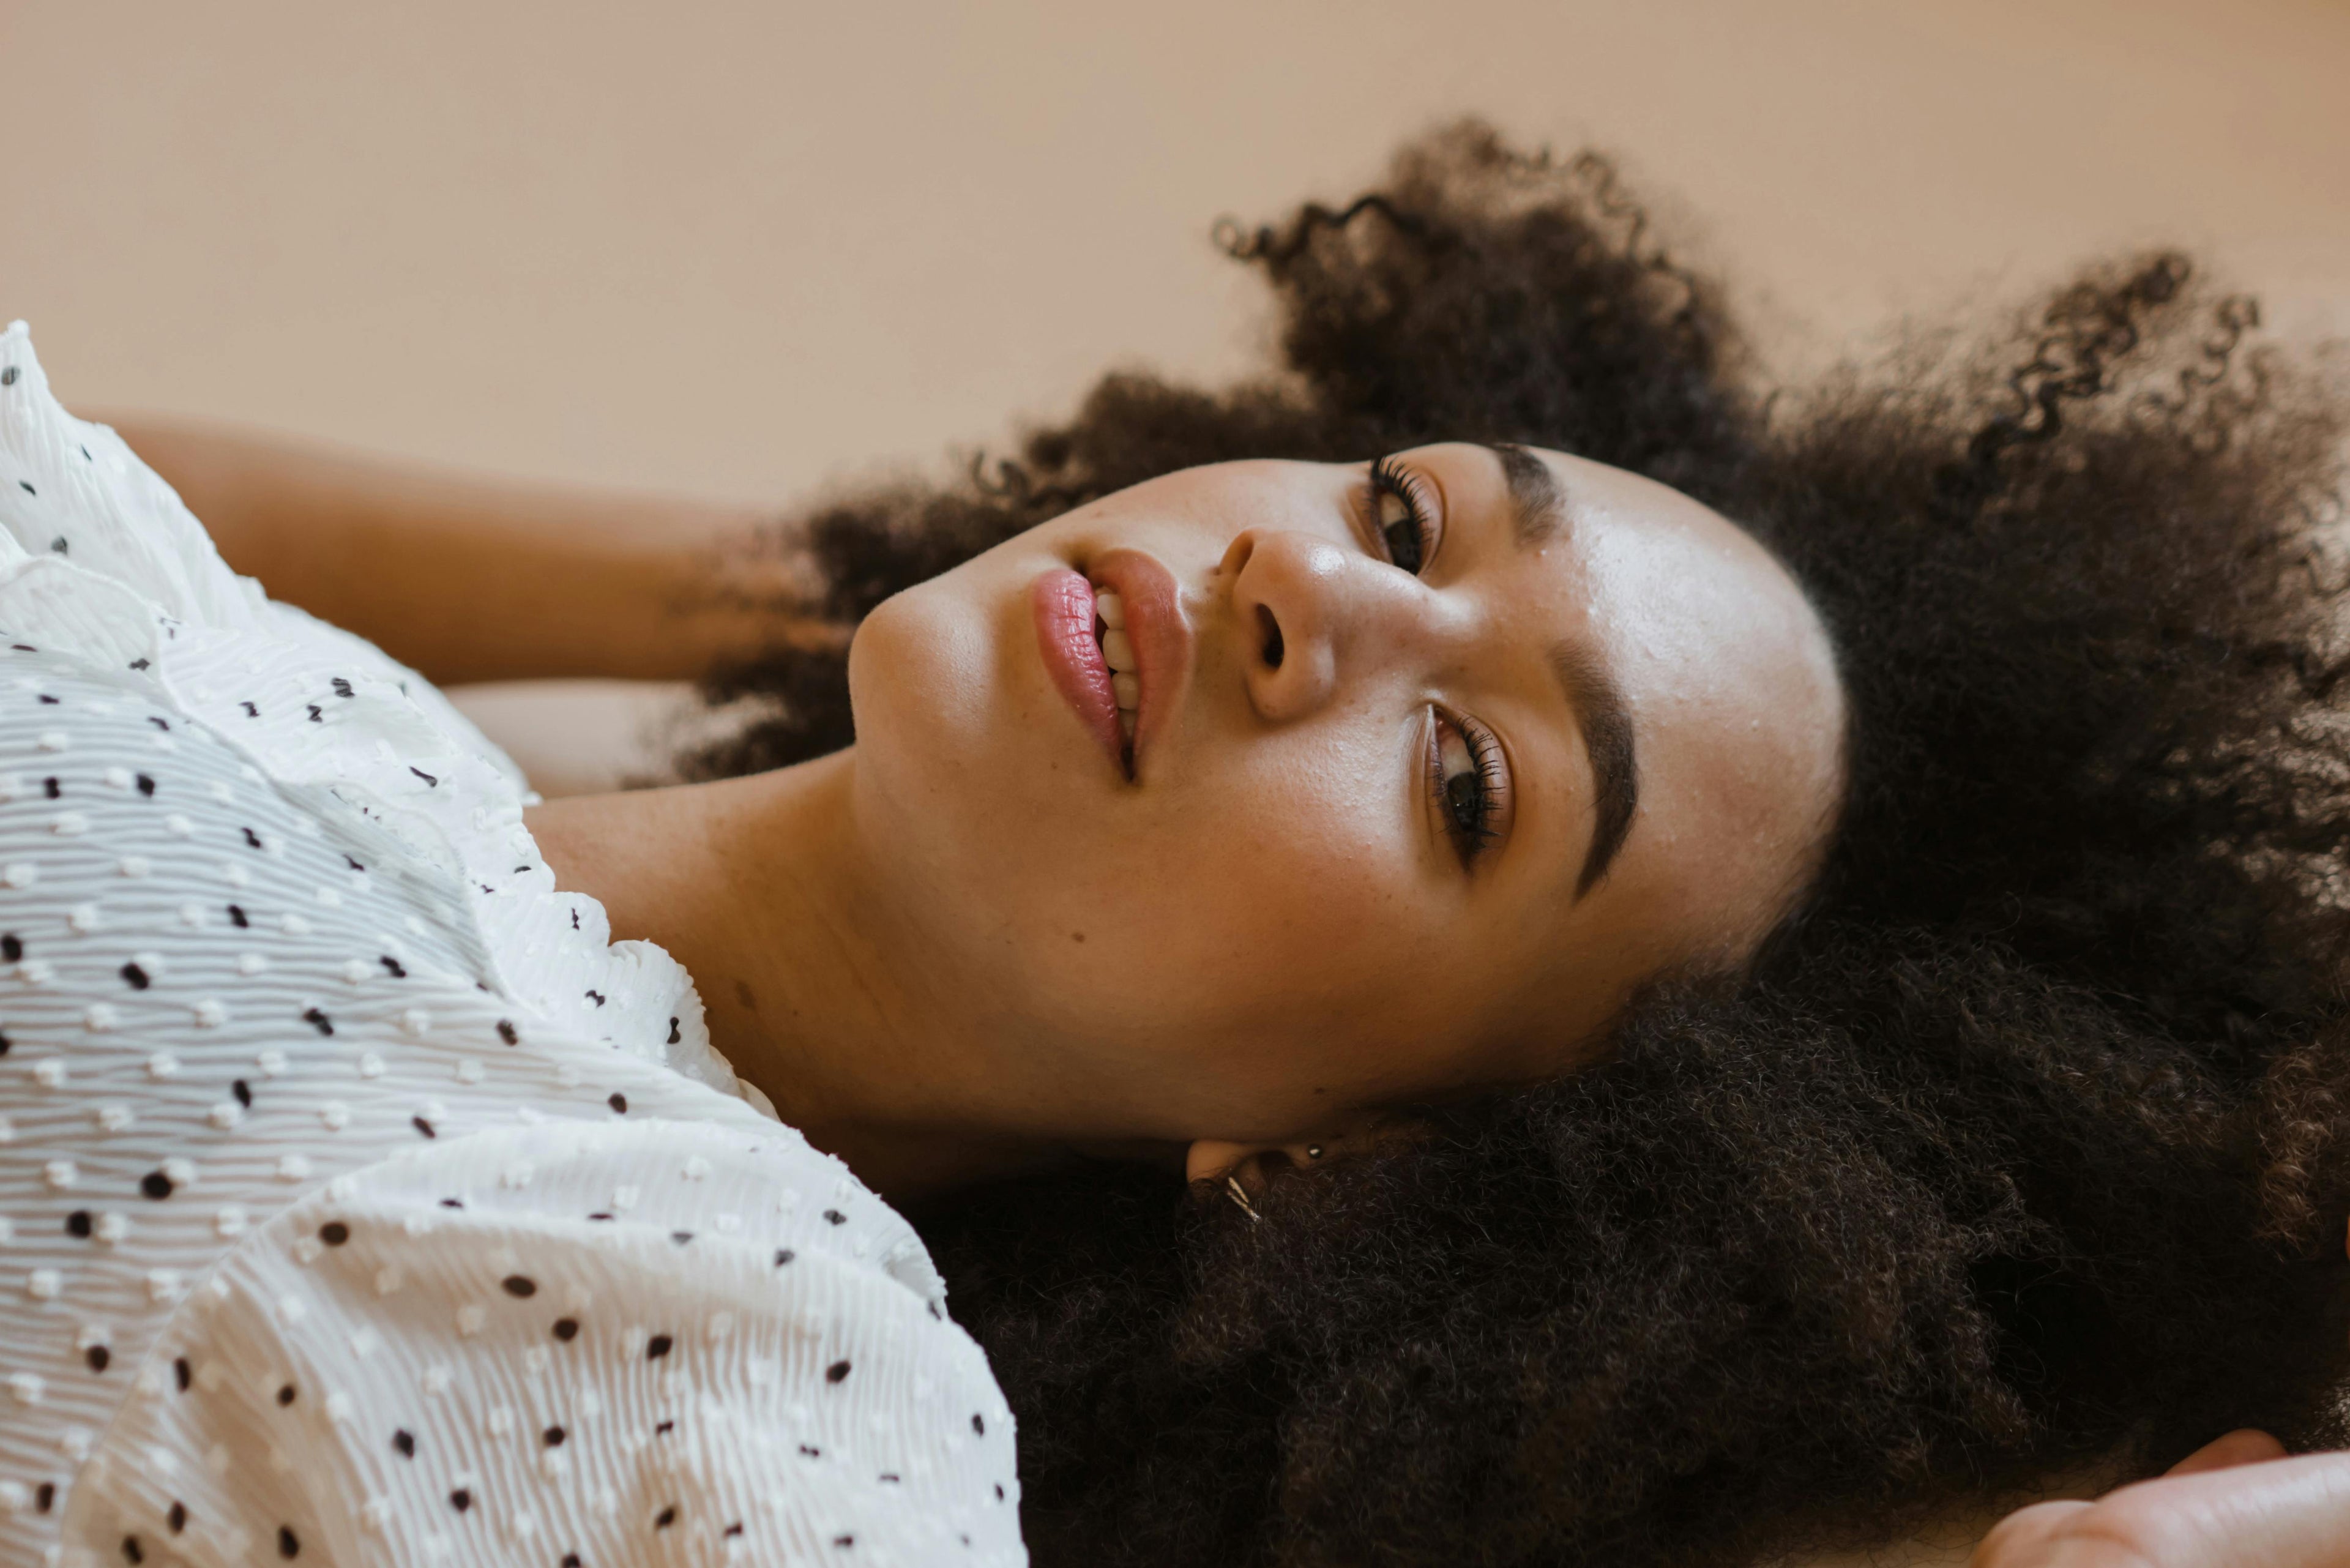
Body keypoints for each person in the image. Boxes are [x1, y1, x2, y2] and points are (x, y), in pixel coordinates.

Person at [4, 120, 2346, 1568]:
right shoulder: (247, 657)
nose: (1308, 589)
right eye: (1404, 503)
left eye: (1466, 784)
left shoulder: (747, 1358)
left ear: (1350, 1169)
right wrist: (906, 568)